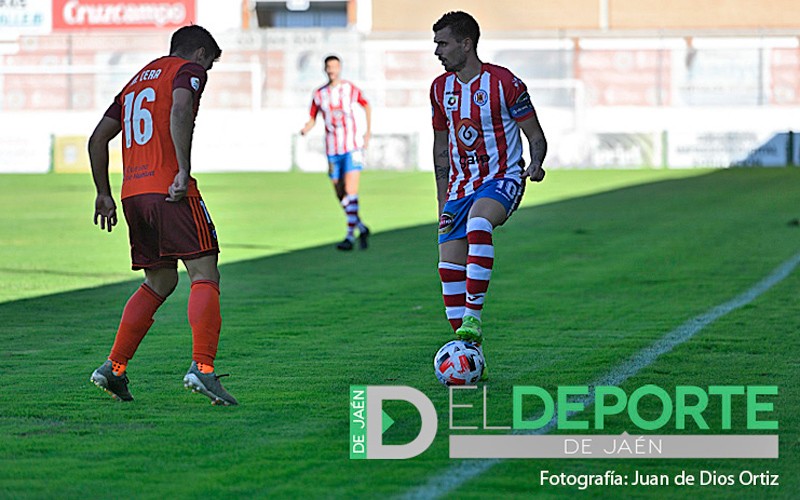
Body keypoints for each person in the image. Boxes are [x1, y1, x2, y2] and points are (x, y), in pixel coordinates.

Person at [88, 25, 237, 405]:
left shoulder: (137, 81)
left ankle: (114, 367)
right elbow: (182, 106)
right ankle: (203, 369)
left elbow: (97, 139)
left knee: (160, 280)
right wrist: (182, 169)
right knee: (204, 272)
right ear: (201, 54)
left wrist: (103, 193)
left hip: (133, 195)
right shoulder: (188, 71)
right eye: (210, 64)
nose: (207, 73)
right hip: (169, 190)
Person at [430, 11, 547, 375]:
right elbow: (440, 149)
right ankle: (465, 351)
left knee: (479, 223)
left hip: (503, 177)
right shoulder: (439, 89)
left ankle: (474, 318)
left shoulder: (504, 83)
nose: (437, 51)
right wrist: (441, 200)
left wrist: (536, 163)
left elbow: (535, 136)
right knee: (448, 266)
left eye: (443, 43)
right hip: (459, 187)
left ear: (466, 44)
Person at [300, 55, 372, 251]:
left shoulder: (349, 89)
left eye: (334, 66)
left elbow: (366, 105)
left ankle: (350, 237)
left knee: (350, 190)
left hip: (352, 147)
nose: (332, 70)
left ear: (339, 68)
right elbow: (313, 117)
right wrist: (307, 128)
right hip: (332, 150)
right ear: (325, 69)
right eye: (328, 67)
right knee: (340, 194)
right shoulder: (319, 94)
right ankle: (361, 227)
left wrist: (367, 131)